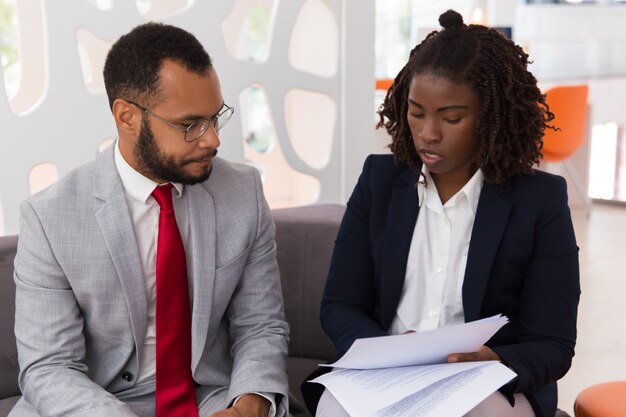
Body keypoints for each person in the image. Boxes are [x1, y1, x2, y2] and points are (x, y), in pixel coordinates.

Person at [304, 9, 580, 417]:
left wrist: (494, 362)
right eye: (416, 112)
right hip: (383, 375)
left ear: (491, 118)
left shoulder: (540, 200)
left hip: (484, 384)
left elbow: (552, 343)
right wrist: (388, 352)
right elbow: (340, 305)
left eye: (451, 118)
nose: (428, 133)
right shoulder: (378, 181)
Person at [11, 23, 289, 417]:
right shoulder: (50, 218)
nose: (212, 140)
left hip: (207, 400)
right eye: (190, 124)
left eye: (216, 117)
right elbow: (49, 368)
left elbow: (261, 326)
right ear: (127, 116)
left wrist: (248, 405)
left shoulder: (242, 192)